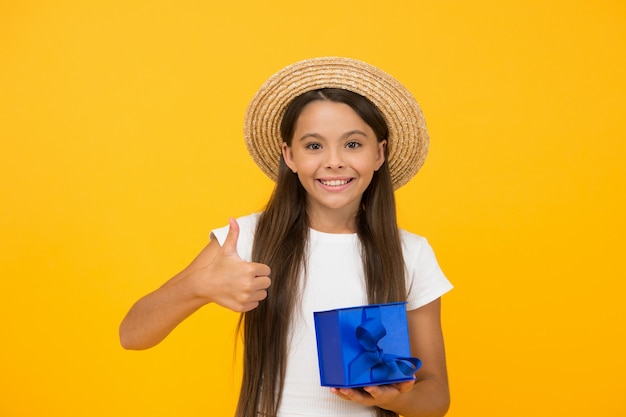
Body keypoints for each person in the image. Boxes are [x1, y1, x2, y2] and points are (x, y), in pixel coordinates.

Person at [119, 57, 453, 417]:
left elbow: (436, 397)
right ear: (289, 156)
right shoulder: (246, 238)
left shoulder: (411, 253)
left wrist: (392, 398)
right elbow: (132, 335)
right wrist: (199, 286)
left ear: (379, 153)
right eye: (314, 146)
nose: (334, 161)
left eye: (353, 144)